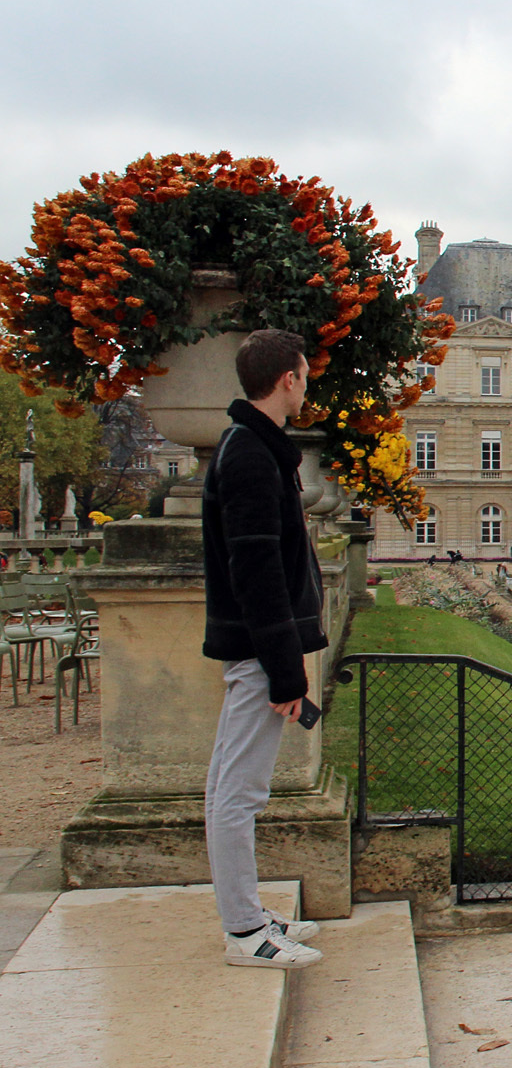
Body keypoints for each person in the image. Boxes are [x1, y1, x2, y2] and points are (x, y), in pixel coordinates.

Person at [202, 329, 328, 969]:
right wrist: (287, 673)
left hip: (257, 648)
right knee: (240, 791)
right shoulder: (251, 453)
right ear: (288, 380)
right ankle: (245, 931)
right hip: (260, 651)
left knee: (231, 782)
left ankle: (248, 915)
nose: (307, 387)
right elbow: (257, 573)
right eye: (305, 376)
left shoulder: (250, 446)